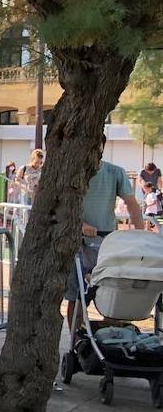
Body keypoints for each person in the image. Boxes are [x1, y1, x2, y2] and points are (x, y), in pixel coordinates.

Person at [65, 137, 145, 329]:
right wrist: (81, 224)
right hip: (76, 241)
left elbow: (132, 204)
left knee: (113, 291)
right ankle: (77, 340)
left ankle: (109, 336)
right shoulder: (72, 173)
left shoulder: (115, 172)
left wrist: (140, 234)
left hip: (105, 242)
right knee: (76, 296)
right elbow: (62, 205)